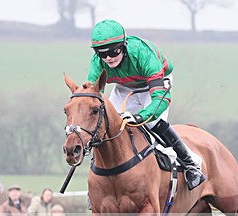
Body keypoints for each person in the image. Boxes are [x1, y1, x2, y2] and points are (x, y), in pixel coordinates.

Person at [87, 19, 205, 190]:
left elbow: (160, 99)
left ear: (123, 45)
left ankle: (190, 164)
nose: (108, 58)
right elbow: (92, 96)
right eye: (101, 53)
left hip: (154, 84)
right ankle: (98, 171)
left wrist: (140, 116)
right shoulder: (98, 63)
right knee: (105, 122)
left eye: (113, 51)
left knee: (152, 122)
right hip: (124, 86)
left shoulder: (142, 53)